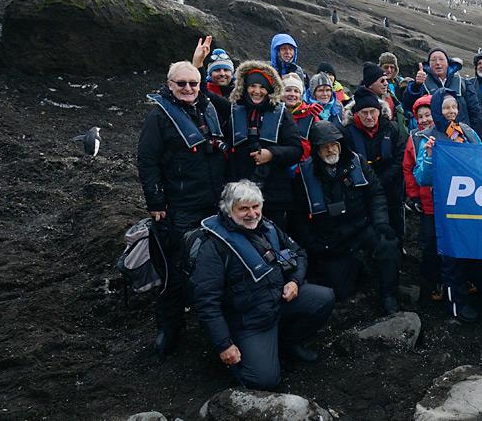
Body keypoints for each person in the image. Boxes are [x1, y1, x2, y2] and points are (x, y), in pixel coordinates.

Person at [190, 180, 335, 390]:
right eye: (244, 209)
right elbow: (206, 302)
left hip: (277, 300)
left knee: (324, 298)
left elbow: (298, 254)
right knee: (265, 381)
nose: (252, 214)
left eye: (256, 206)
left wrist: (294, 281)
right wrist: (224, 345)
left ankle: (288, 342)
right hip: (249, 321)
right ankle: (240, 360)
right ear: (228, 210)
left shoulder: (267, 227)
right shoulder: (213, 247)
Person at [137, 60, 228, 356]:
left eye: (194, 83)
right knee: (175, 266)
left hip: (214, 201)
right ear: (169, 85)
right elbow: (147, 161)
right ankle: (170, 326)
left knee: (214, 262)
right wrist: (156, 201)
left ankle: (215, 320)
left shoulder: (211, 107)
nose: (188, 89)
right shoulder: (159, 117)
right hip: (179, 204)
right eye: (182, 84)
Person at [291, 121, 401, 314]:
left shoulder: (357, 162)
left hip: (361, 227)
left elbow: (376, 194)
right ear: (316, 149)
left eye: (334, 144)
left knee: (388, 245)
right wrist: (313, 243)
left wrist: (381, 223)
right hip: (332, 237)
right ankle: (357, 268)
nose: (330, 149)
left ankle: (389, 295)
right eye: (325, 146)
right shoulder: (303, 175)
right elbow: (297, 215)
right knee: (341, 291)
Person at [414, 88, 482, 322]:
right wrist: (430, 155)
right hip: (447, 209)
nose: (451, 111)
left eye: (454, 106)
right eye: (445, 107)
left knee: (480, 248)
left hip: (472, 203)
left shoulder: (468, 132)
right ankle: (458, 304)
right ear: (437, 110)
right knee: (452, 257)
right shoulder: (428, 138)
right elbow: (422, 177)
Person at [226, 61, 303, 230]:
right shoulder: (233, 110)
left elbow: (297, 150)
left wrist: (271, 154)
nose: (257, 91)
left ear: (269, 89)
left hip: (274, 194)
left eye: (262, 87)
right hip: (240, 193)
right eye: (252, 85)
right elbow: (203, 95)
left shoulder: (281, 113)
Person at [344, 87, 407, 240]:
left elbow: (400, 158)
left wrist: (383, 180)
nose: (369, 117)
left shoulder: (392, 129)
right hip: (362, 190)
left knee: (394, 228)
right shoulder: (346, 132)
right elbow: (345, 161)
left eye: (373, 111)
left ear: (379, 111)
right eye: (364, 113)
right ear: (356, 113)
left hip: (391, 188)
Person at [402, 95, 442, 300]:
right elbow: (408, 168)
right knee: (429, 244)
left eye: (428, 114)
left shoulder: (449, 133)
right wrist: (414, 196)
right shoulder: (415, 137)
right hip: (427, 202)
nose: (425, 119)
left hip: (449, 201)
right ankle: (431, 283)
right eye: (420, 116)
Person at [402, 48, 482, 134]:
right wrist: (416, 85)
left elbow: (475, 114)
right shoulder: (422, 84)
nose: (437, 63)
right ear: (428, 64)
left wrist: (475, 138)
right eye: (433, 60)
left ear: (448, 63)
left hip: (461, 136)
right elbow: (407, 106)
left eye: (441, 59)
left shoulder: (463, 84)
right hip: (433, 138)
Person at [282, 73, 320, 162]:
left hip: (302, 168)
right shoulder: (273, 113)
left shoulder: (310, 116)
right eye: (287, 90)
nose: (292, 94)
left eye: (296, 91)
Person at [361, 61, 407, 133]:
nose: (386, 83)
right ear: (370, 85)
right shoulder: (361, 105)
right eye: (382, 81)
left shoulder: (391, 97)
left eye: (386, 80)